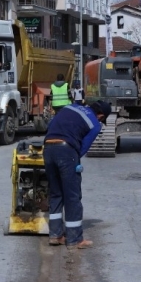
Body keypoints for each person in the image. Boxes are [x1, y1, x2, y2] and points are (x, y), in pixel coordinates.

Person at [43, 100, 112, 250]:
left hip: (48, 147)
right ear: (100, 115)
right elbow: (82, 148)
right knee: (72, 195)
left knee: (56, 193)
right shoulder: (95, 124)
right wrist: (73, 161)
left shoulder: (69, 107)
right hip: (66, 150)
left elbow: (50, 126)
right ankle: (74, 239)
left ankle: (55, 235)